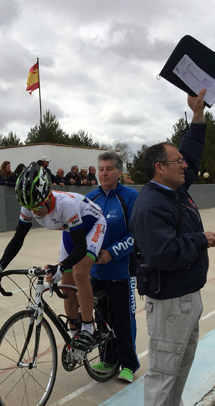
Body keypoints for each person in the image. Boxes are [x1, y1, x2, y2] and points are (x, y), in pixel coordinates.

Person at [130, 88, 215, 406]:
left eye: (183, 162)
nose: (185, 166)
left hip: (189, 294)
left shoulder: (175, 189)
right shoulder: (152, 203)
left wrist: (197, 116)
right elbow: (162, 253)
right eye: (178, 162)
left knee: (180, 367)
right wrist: (200, 239)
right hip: (170, 301)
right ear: (160, 168)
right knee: (163, 371)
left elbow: (193, 152)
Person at [0, 161, 107, 354]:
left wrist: (60, 266)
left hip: (92, 225)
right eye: (30, 208)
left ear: (49, 195)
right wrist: (0, 265)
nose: (35, 212)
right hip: (70, 229)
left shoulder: (65, 205)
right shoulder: (29, 205)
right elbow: (18, 239)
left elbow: (81, 247)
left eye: (38, 206)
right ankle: (74, 332)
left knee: (79, 272)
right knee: (65, 284)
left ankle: (87, 328)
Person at [85, 150, 140, 383]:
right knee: (102, 319)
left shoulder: (130, 197)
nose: (104, 173)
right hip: (96, 272)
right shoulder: (90, 198)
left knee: (123, 318)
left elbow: (136, 235)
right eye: (100, 169)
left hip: (122, 271)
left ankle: (128, 364)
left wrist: (112, 253)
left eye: (109, 169)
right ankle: (107, 359)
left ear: (119, 172)